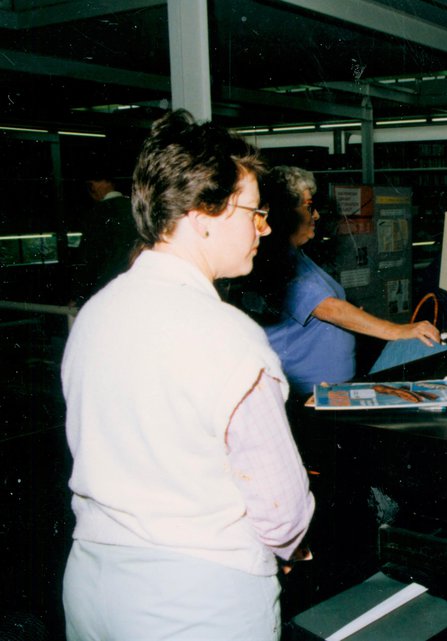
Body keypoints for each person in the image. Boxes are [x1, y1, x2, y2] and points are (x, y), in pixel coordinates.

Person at [61, 110, 314, 641]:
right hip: (196, 598)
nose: (265, 228)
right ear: (204, 216)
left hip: (93, 582)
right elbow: (281, 509)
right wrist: (291, 547)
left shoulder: (97, 314)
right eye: (255, 212)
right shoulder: (228, 334)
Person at [240, 165, 440, 396]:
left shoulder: (297, 257)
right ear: (285, 212)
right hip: (309, 392)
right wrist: (398, 331)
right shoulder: (279, 261)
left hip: (328, 386)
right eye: (309, 207)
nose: (316, 215)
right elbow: (329, 308)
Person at [73, 168, 139, 302]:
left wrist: (79, 295)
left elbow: (90, 258)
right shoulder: (136, 209)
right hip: (135, 286)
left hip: (105, 290)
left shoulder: (96, 214)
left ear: (93, 185)